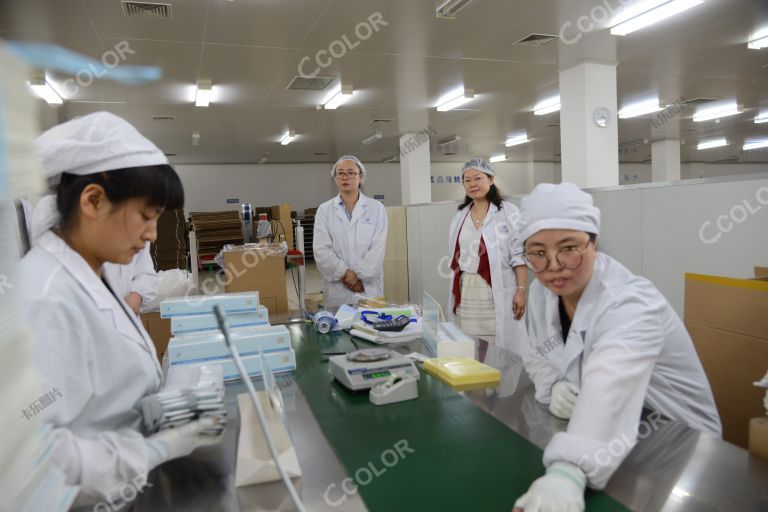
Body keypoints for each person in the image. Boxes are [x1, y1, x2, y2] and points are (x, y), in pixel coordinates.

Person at [21, 112, 222, 507]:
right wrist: (155, 450)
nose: (151, 234)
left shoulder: (97, 272)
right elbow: (38, 464)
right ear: (93, 200)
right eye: (147, 216)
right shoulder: (45, 297)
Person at [513, 182, 721, 512]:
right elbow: (535, 349)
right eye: (537, 252)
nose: (553, 265)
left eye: (569, 248)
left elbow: (612, 379)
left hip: (678, 445)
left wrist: (568, 470)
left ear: (594, 242)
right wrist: (552, 387)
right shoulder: (543, 292)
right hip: (607, 437)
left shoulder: (631, 302)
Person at [446, 158, 528, 362]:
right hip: (467, 289)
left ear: (491, 179)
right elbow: (455, 256)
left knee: (497, 345)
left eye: (478, 178)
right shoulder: (460, 216)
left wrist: (520, 291)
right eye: (467, 180)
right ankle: (476, 390)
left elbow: (519, 255)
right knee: (470, 344)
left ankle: (498, 390)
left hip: (495, 289)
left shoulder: (508, 212)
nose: (472, 184)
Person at [313, 155, 388, 310]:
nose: (345, 177)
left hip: (368, 288)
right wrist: (346, 275)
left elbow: (377, 249)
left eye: (351, 172)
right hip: (338, 290)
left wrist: (357, 275)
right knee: (338, 330)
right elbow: (321, 250)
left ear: (361, 177)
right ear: (335, 178)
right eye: (340, 173)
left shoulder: (376, 209)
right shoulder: (324, 210)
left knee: (370, 329)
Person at [103, 242, 158, 314]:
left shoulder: (138, 237)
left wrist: (136, 295)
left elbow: (146, 273)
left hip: (129, 317)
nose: (152, 236)